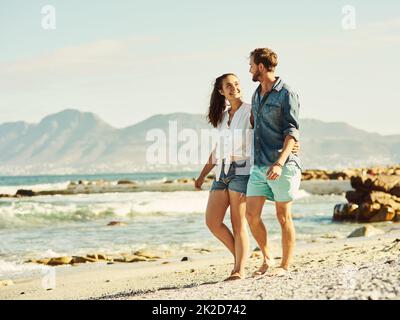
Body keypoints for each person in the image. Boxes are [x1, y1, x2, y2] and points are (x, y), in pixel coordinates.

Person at [246, 48, 302, 277]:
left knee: (283, 216)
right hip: (259, 165)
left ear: (260, 66)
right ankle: (267, 258)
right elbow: (254, 123)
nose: (249, 69)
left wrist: (280, 162)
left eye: (251, 64)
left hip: (281, 165)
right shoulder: (256, 93)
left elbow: (292, 131)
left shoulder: (286, 93)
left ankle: (285, 265)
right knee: (251, 215)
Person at [195, 73, 252, 281]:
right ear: (221, 91)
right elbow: (218, 149)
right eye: (228, 86)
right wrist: (202, 175)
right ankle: (240, 256)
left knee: (238, 223)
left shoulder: (250, 110)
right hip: (221, 172)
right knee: (212, 221)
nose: (234, 88)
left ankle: (239, 269)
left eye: (236, 84)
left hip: (242, 170)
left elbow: (267, 132)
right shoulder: (222, 117)